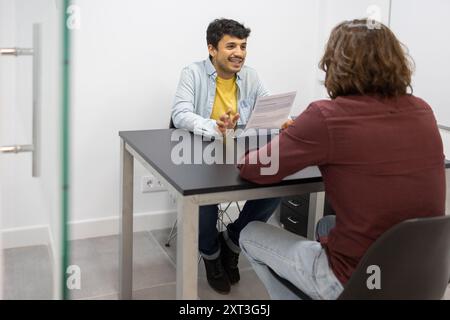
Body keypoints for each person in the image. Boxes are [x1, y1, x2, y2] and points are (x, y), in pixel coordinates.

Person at [238, 19, 446, 300]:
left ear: (334, 64)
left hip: (356, 282)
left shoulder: (327, 115)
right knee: (327, 225)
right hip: (421, 277)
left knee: (250, 233)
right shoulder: (423, 110)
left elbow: (257, 168)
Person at [171, 18, 280, 294]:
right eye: (231, 45)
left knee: (276, 185)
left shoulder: (251, 76)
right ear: (212, 49)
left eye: (243, 46)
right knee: (204, 199)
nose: (239, 53)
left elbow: (268, 107)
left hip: (236, 153)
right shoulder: (192, 73)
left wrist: (284, 118)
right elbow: (180, 113)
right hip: (197, 154)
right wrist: (213, 125)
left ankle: (232, 242)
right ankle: (210, 255)